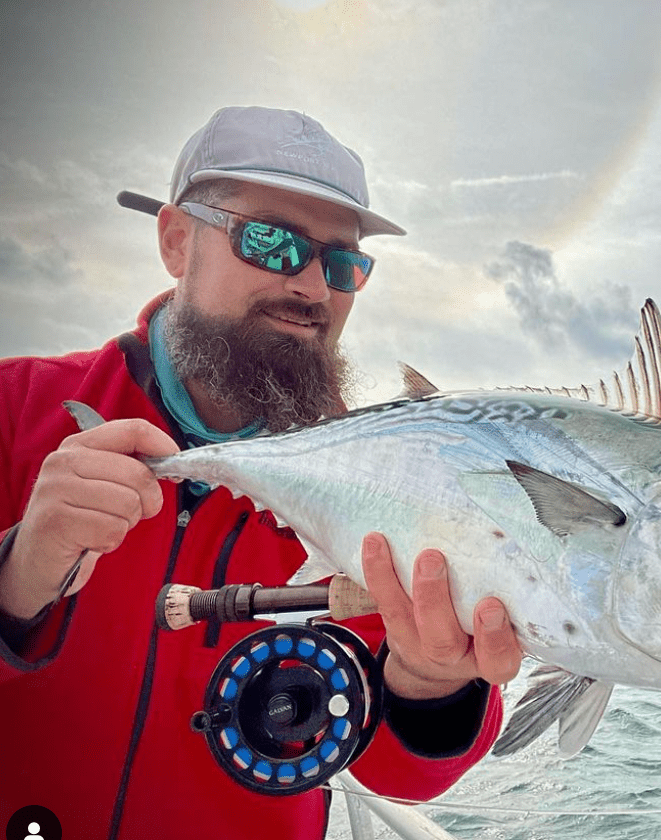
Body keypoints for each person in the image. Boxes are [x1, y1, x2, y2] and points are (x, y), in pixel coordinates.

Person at [0, 106, 523, 838]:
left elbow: (398, 775)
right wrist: (16, 583)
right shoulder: (13, 408)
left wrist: (434, 681)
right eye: (272, 242)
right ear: (177, 241)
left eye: (342, 263)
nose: (313, 287)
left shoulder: (398, 479)